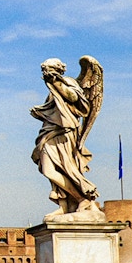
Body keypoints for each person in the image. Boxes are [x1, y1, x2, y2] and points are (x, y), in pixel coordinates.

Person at [30, 57, 103, 219]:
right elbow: (53, 111)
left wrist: (57, 83)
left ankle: (82, 198)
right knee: (47, 168)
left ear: (57, 70)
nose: (45, 73)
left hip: (65, 133)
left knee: (65, 167)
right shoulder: (51, 91)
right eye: (43, 71)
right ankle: (64, 204)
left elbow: (75, 98)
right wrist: (40, 111)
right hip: (50, 132)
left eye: (47, 69)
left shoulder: (68, 82)